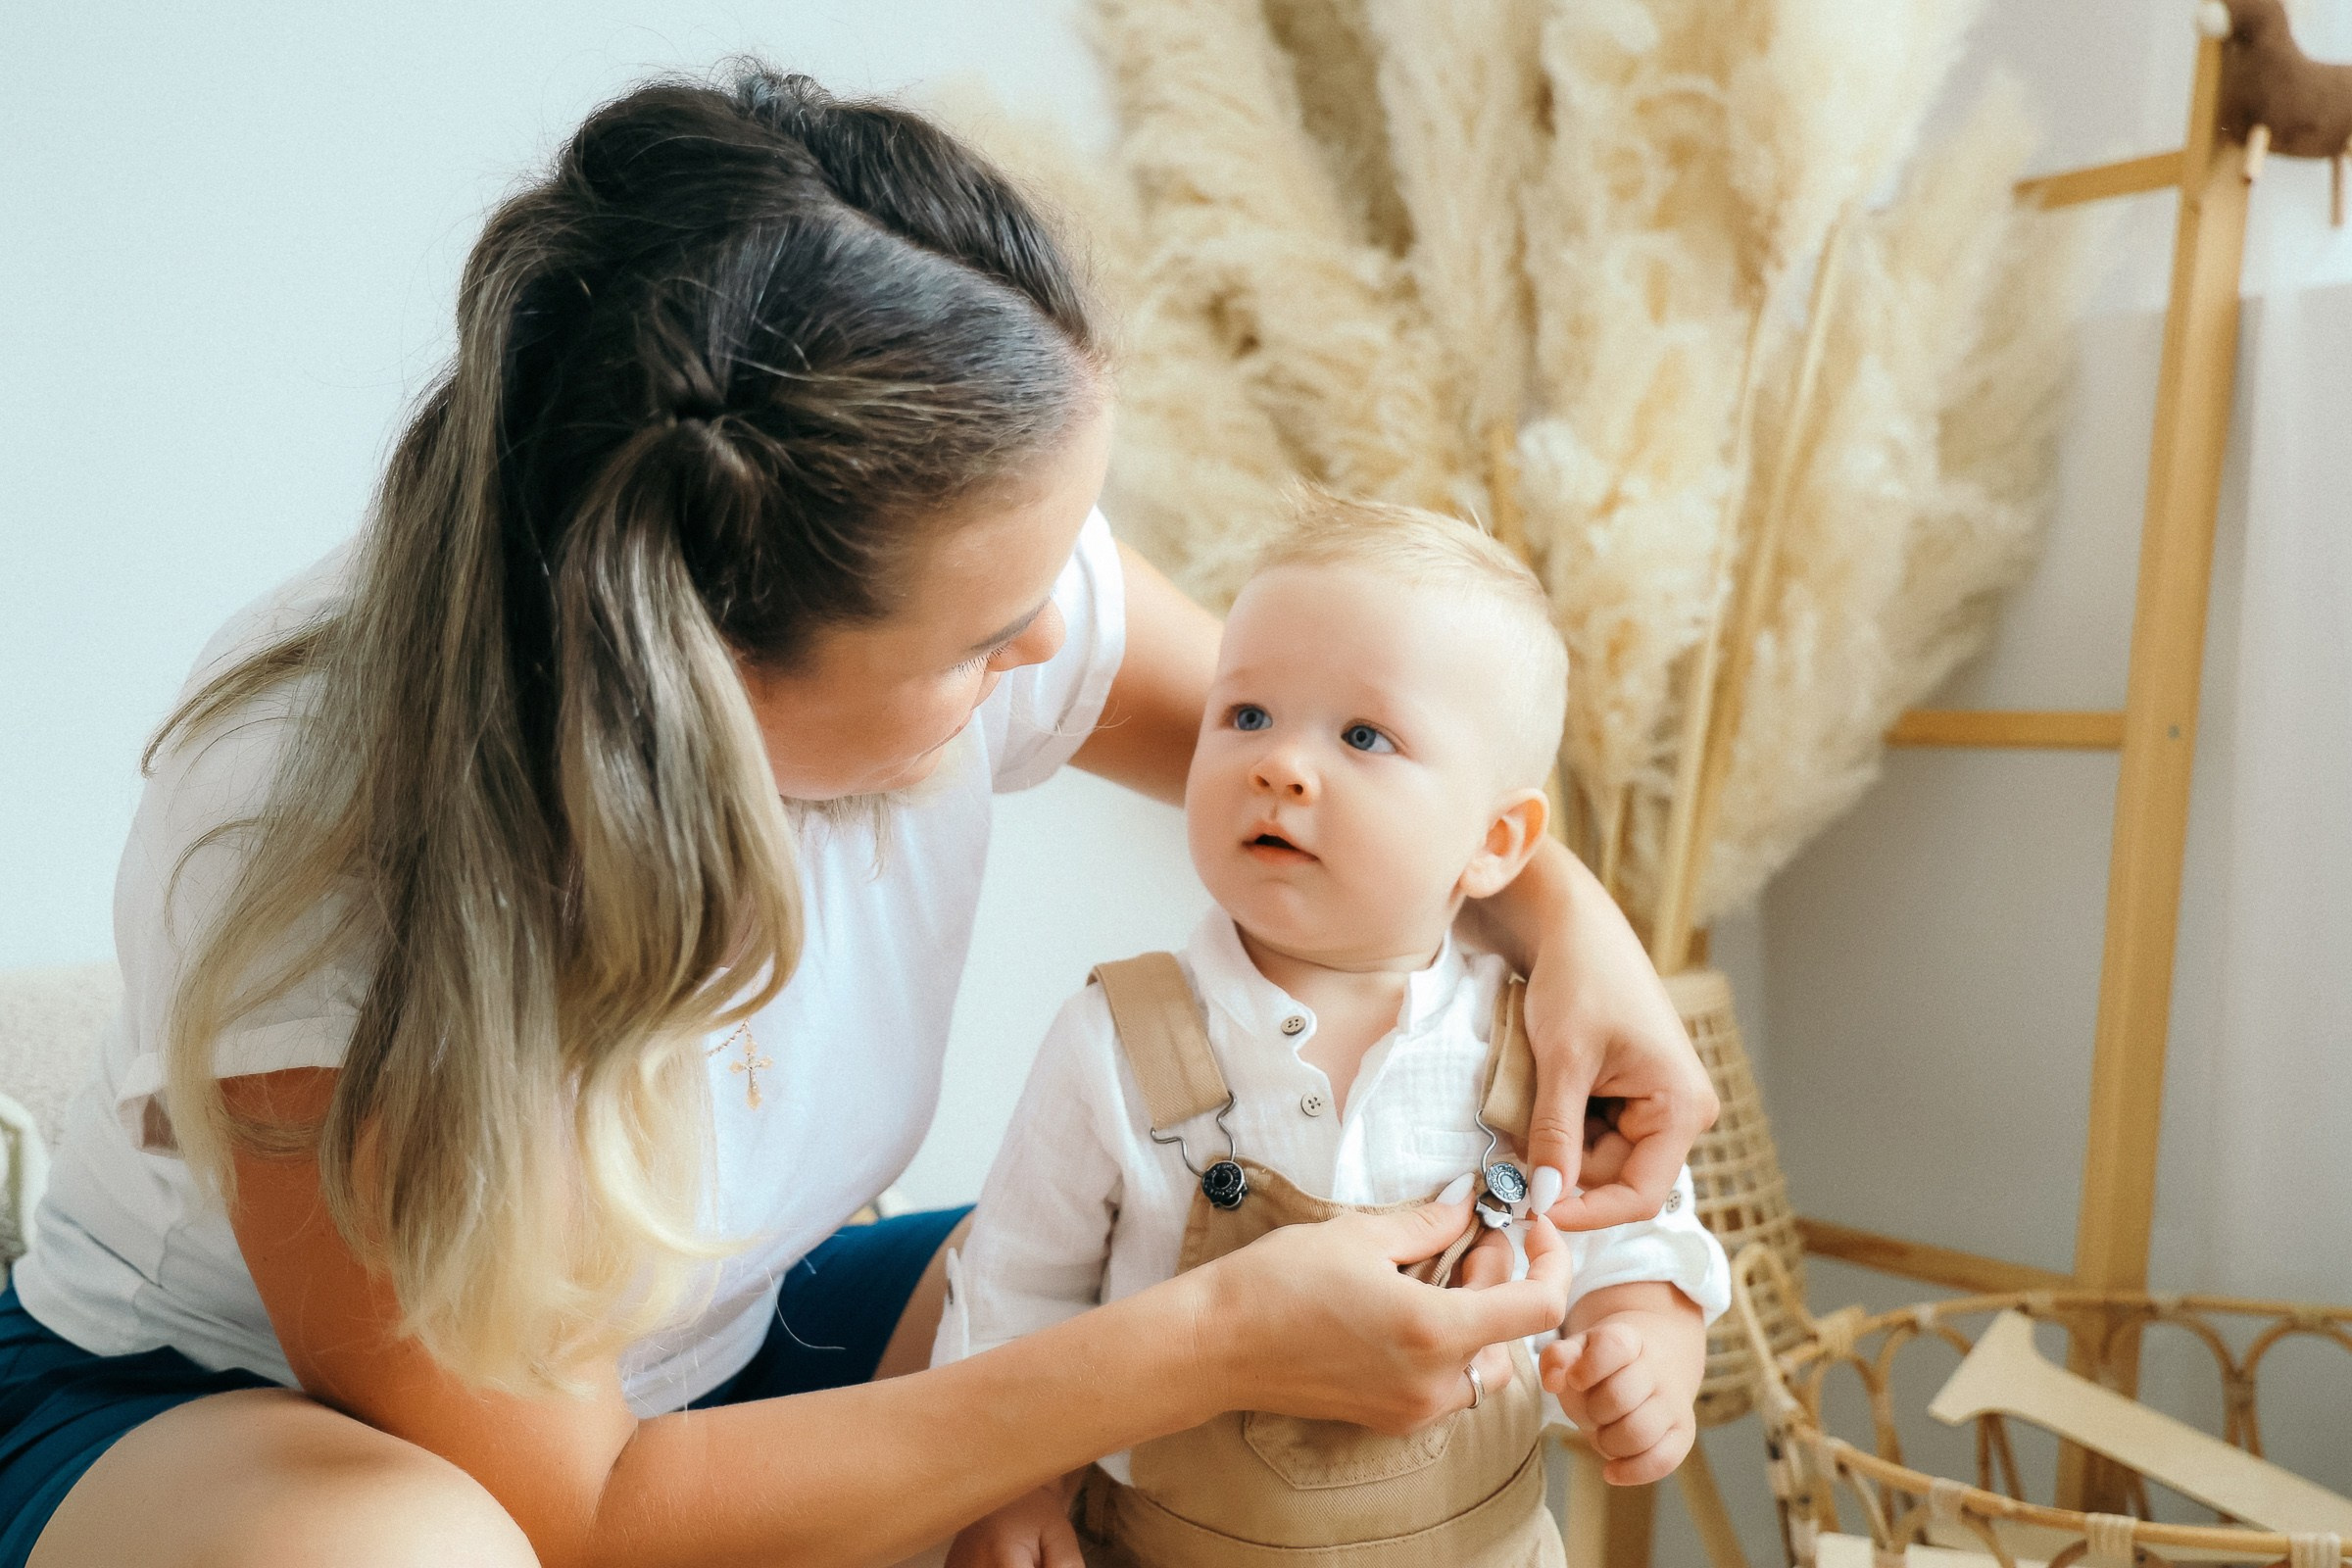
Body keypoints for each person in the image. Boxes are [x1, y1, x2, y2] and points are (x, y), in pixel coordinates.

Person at [0, 66, 1718, 1568]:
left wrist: (1573, 927)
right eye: (991, 637)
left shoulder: (968, 553)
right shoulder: (324, 834)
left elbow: (1385, 771)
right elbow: (574, 1516)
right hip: (237, 1419)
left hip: (732, 1343)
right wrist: (1200, 1347)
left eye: (1066, 566)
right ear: (706, 672)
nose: (1066, 645)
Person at [936, 497, 1728, 1567]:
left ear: (1497, 841)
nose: (1280, 765)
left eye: (1363, 736)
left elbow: (1641, 1233)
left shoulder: (1539, 1047)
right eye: (1246, 714)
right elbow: (1016, 1286)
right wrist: (1013, 1484)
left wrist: (1651, 1347)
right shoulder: (1119, 1038)